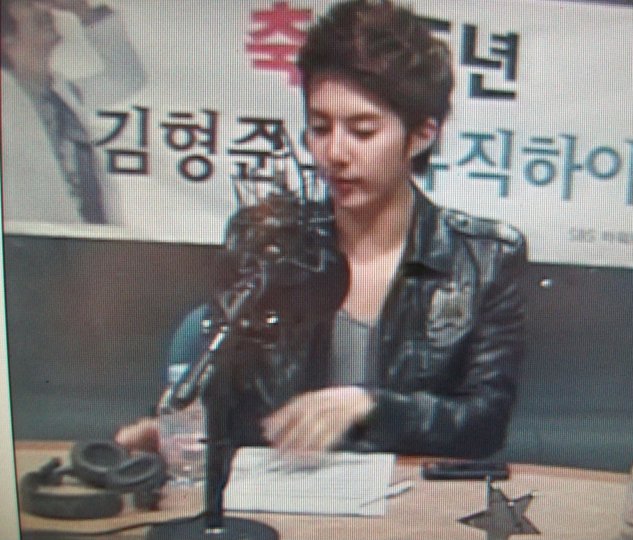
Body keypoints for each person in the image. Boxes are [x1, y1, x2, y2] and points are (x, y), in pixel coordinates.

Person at [117, 0, 526, 460]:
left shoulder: (483, 258)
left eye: (362, 131)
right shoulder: (265, 242)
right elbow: (224, 392)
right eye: (320, 127)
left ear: (421, 135)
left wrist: (370, 407)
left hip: (412, 496)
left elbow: (484, 424)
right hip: (282, 490)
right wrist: (175, 427)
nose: (335, 153)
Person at [1, 0, 144, 225]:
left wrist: (83, 11)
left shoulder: (64, 93)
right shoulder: (8, 99)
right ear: (6, 39)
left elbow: (127, 77)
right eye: (27, 3)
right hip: (31, 234)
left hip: (85, 233)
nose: (43, 8)